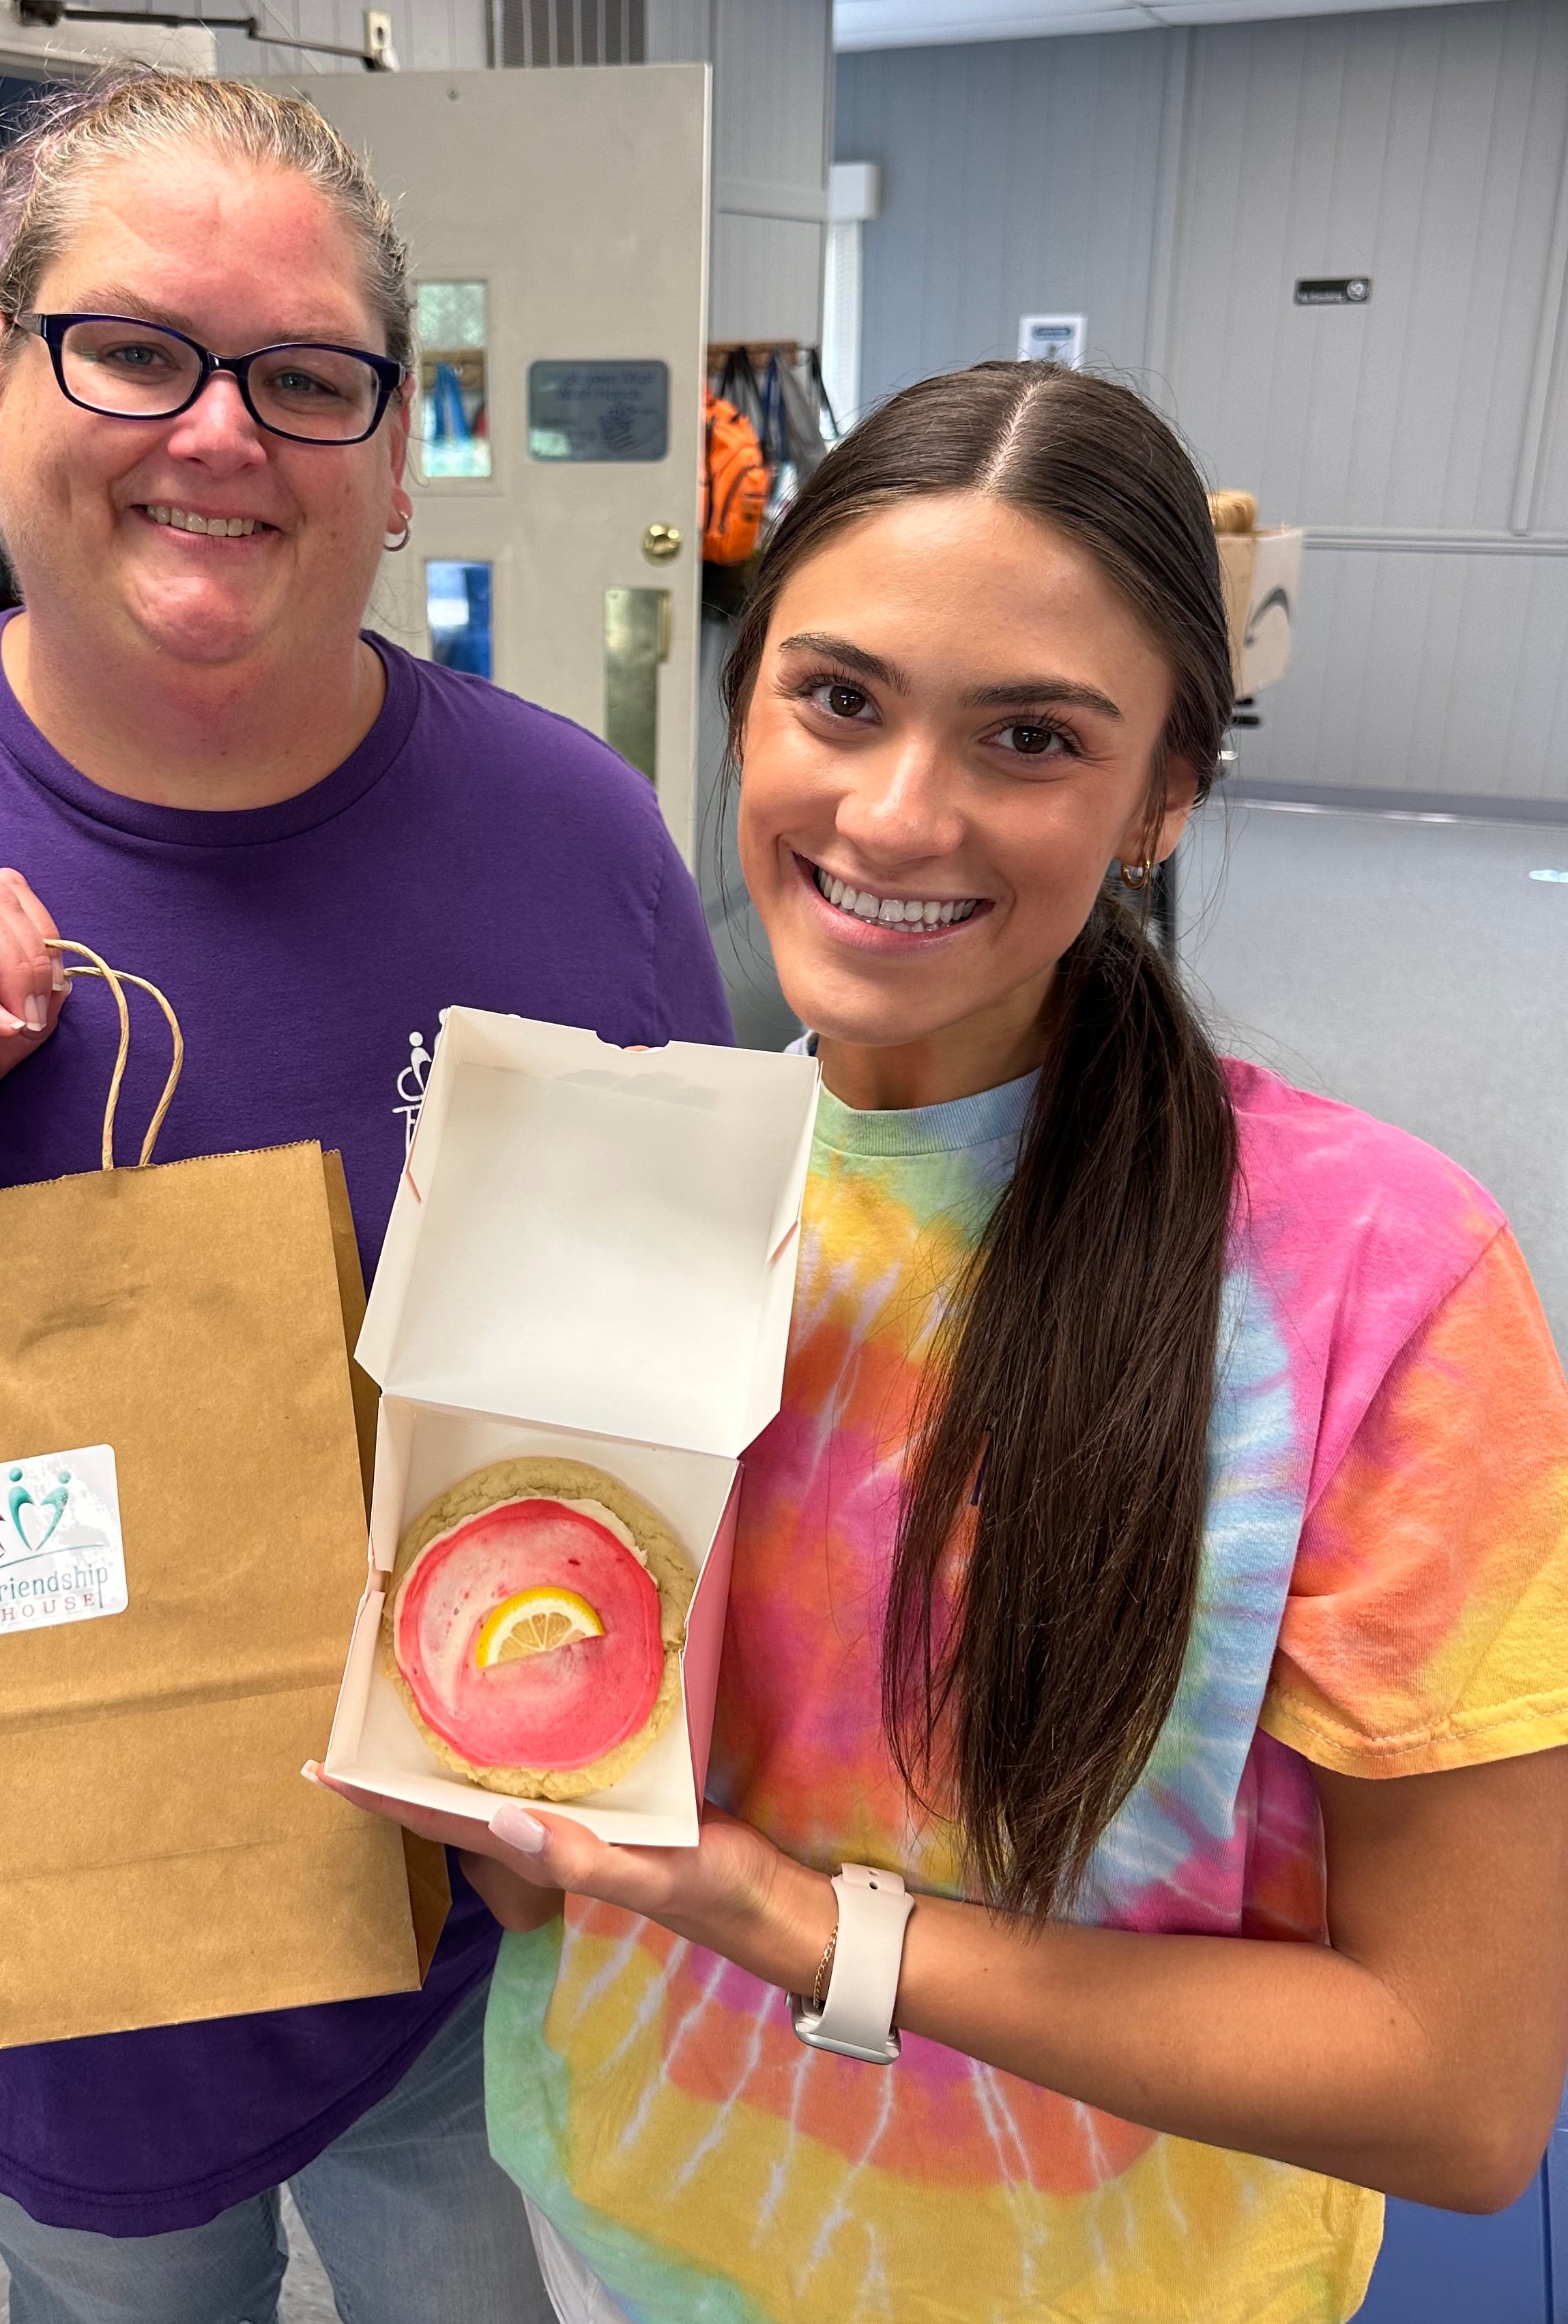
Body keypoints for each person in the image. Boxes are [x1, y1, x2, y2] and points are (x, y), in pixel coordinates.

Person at [0, 72, 729, 2324]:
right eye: (134, 349)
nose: (219, 435)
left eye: (305, 379)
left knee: (461, 2279)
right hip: (10, 1923)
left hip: (448, 1928)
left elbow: (665, 1388)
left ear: (390, 449)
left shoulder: (570, 840)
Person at [322, 362, 1568, 2323]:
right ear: (746, 707)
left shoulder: (1376, 1278)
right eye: (839, 698)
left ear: (1163, 791)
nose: (900, 811)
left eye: (1032, 737)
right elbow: (557, 1857)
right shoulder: (615, 1188)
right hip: (646, 2222)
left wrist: (805, 1928)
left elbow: (1462, 2083)